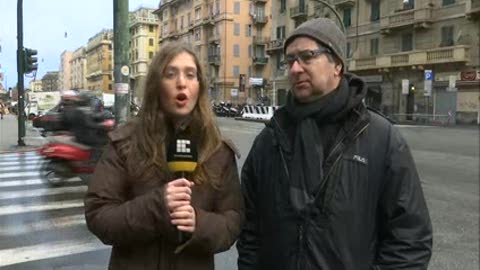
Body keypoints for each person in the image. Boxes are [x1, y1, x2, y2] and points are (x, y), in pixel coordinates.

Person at [237, 18, 432, 270]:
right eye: (290, 60)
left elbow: (410, 238)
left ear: (337, 65)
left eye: (307, 56)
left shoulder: (380, 138)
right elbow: (250, 229)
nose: (295, 68)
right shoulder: (271, 138)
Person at [84, 42, 244, 270]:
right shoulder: (125, 143)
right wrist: (157, 205)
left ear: (199, 86)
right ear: (156, 85)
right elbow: (98, 215)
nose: (182, 83)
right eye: (171, 74)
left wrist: (199, 224)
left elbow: (233, 220)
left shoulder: (218, 151)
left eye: (191, 75)